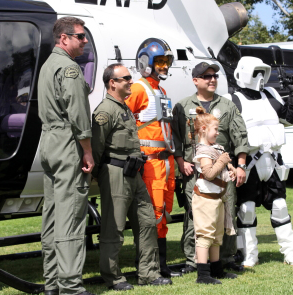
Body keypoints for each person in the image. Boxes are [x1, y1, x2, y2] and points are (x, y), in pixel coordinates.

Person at [91, 63, 172, 291]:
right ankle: (113, 277)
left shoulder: (124, 108)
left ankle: (149, 274)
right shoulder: (105, 111)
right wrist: (102, 174)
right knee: (113, 228)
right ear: (112, 83)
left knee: (147, 223)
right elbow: (96, 149)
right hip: (116, 172)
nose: (130, 81)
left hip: (134, 172)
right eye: (125, 78)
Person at [227, 56, 293, 267]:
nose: (260, 77)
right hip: (248, 163)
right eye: (256, 72)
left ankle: (290, 253)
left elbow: (290, 117)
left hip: (273, 161)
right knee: (246, 209)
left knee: (280, 205)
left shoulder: (270, 95)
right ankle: (248, 255)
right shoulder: (232, 100)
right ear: (243, 73)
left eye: (263, 72)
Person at [172, 62, 249, 274]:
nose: (212, 79)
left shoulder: (227, 106)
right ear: (195, 80)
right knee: (193, 214)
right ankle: (192, 261)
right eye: (206, 76)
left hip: (223, 172)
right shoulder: (182, 106)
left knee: (226, 212)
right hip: (194, 173)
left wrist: (241, 165)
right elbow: (175, 138)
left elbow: (240, 136)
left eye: (214, 76)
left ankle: (225, 259)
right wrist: (180, 162)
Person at [38, 17, 95, 295]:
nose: (85, 41)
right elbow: (78, 114)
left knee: (51, 214)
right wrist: (87, 150)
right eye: (81, 36)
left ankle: (52, 284)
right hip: (66, 142)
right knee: (71, 213)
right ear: (64, 38)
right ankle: (71, 286)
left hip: (48, 141)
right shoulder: (69, 68)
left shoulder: (48, 65)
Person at [125, 38, 181, 278]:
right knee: (153, 213)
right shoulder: (138, 88)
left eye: (166, 61)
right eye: (159, 61)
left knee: (164, 213)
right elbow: (123, 119)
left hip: (165, 161)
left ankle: (162, 265)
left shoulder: (161, 90)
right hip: (151, 162)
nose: (164, 66)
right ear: (146, 62)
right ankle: (149, 265)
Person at [192, 106, 238, 284]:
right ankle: (203, 275)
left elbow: (224, 165)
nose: (218, 133)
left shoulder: (216, 148)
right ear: (204, 129)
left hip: (217, 198)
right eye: (215, 129)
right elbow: (210, 174)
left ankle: (217, 270)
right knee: (205, 236)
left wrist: (231, 170)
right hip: (205, 199)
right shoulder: (203, 151)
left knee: (217, 236)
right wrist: (222, 161)